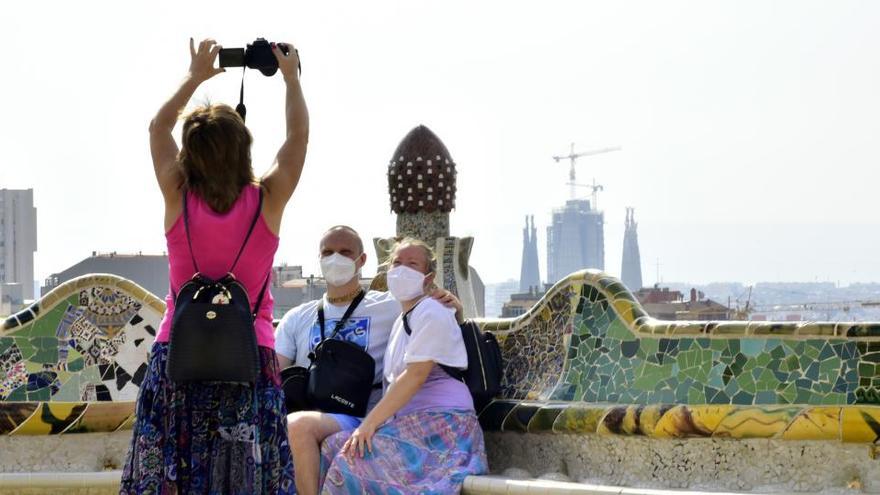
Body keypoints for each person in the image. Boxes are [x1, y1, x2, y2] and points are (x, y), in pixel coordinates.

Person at [120, 37, 307, 494]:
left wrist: (196, 75)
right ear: (243, 147)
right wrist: (290, 78)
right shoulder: (268, 199)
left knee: (172, 475)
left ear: (192, 152)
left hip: (177, 355)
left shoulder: (176, 196)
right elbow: (297, 139)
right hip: (249, 358)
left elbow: (156, 128)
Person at [274, 227, 462, 495]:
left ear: (361, 260)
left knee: (298, 426)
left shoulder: (392, 306)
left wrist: (458, 310)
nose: (335, 258)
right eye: (327, 252)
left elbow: (434, 322)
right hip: (315, 409)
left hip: (362, 415)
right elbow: (274, 372)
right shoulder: (297, 317)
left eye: (345, 252)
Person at [318, 238, 488, 494]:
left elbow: (416, 375)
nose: (401, 270)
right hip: (410, 423)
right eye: (397, 263)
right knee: (331, 446)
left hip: (442, 425)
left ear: (427, 277)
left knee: (351, 459)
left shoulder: (431, 311)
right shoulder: (403, 318)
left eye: (412, 264)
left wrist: (369, 424)